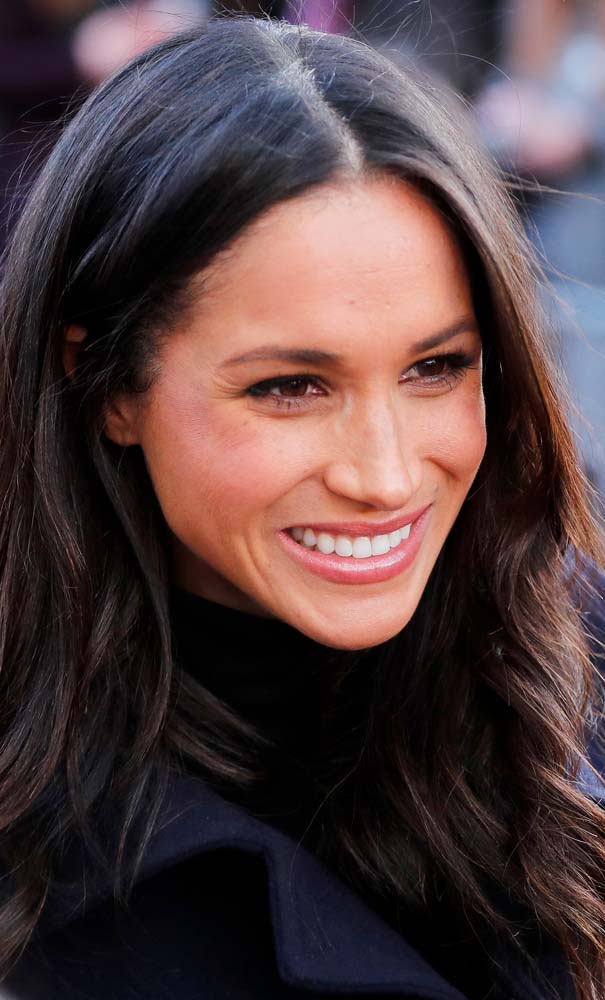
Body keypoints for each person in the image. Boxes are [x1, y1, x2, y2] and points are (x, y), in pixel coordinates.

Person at [0, 15, 604, 1000]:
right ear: (106, 383)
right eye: (289, 387)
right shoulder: (45, 859)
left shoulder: (567, 659)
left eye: (434, 368)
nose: (386, 473)